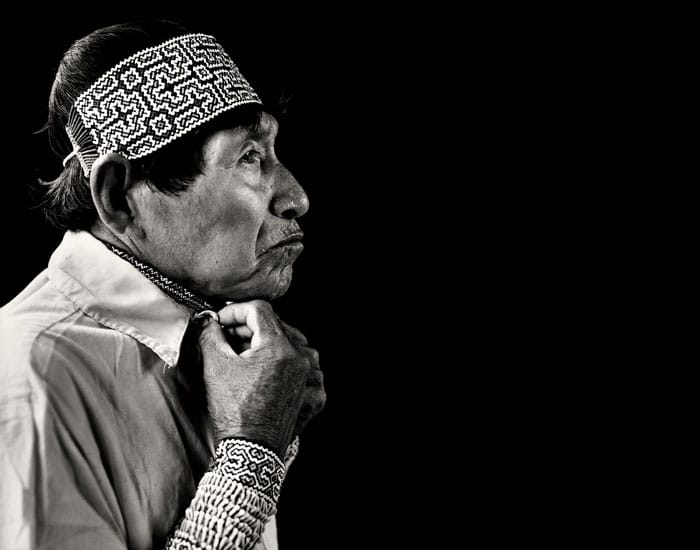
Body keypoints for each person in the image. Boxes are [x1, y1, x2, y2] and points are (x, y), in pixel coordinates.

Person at [0, 19, 326, 550]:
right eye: (248, 157)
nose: (296, 198)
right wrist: (250, 460)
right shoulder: (29, 373)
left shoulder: (215, 344)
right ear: (119, 195)